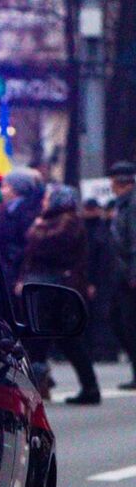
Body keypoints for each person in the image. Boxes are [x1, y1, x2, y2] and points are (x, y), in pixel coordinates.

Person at [21, 183, 101, 405]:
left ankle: (89, 387)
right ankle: (44, 384)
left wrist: (38, 228)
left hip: (62, 287)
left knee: (65, 338)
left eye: (48, 197)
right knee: (48, 338)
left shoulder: (69, 222)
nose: (44, 201)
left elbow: (48, 245)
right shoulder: (48, 220)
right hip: (48, 286)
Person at [108, 161, 136, 391]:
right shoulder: (123, 204)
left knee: (129, 324)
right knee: (121, 322)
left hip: (130, 274)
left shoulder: (132, 205)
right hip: (123, 273)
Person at [0, 168, 44, 289]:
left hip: (17, 276)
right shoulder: (7, 210)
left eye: (5, 186)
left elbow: (23, 248)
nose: (1, 191)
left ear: (17, 189)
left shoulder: (27, 213)